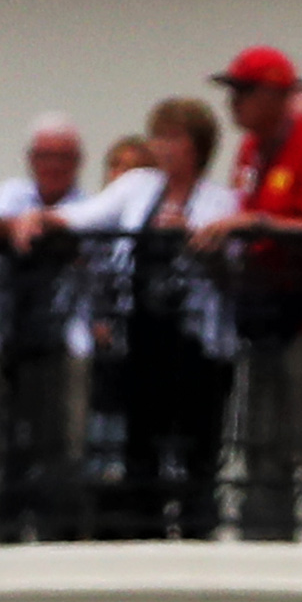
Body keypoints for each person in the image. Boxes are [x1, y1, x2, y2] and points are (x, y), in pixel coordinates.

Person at [205, 47, 302, 543]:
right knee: (262, 442)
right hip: (264, 313)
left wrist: (258, 224)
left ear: (274, 96)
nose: (234, 103)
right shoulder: (251, 150)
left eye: (244, 92)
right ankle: (266, 547)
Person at [71, 96, 232, 539]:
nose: (161, 147)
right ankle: (146, 536)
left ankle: (197, 541)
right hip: (142, 337)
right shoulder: (139, 186)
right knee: (140, 444)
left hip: (195, 344)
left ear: (197, 147)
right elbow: (87, 217)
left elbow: (231, 276)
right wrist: (38, 221)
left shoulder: (220, 201)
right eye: (158, 136)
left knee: (197, 450)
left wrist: (194, 239)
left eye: (173, 138)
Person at [0, 113, 96, 539]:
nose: (53, 165)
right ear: (30, 160)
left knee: (60, 446)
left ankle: (57, 537)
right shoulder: (13, 193)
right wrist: (18, 222)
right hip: (10, 336)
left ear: (78, 161)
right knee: (6, 441)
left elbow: (86, 239)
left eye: (62, 156)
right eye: (44, 155)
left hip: (65, 344)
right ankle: (6, 532)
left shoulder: (87, 205)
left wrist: (44, 224)